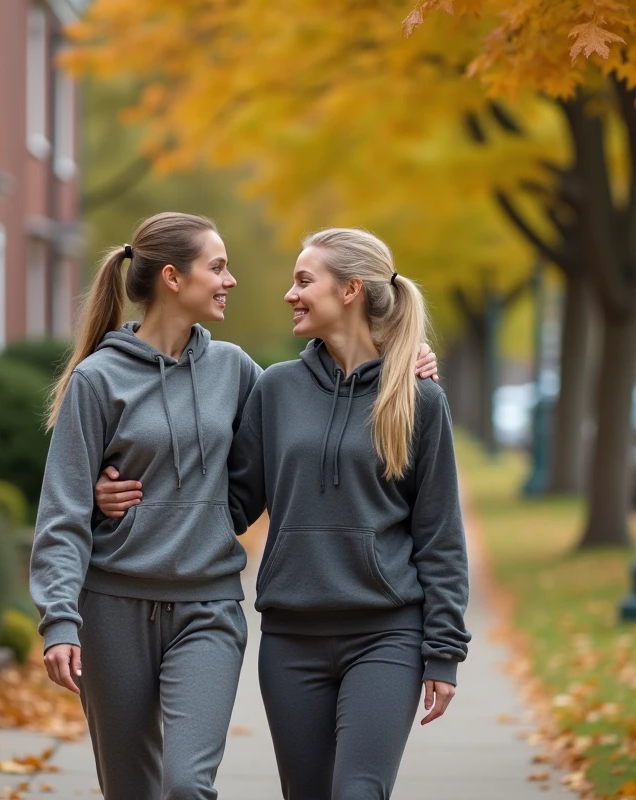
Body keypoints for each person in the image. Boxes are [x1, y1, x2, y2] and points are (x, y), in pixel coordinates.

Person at [32, 212, 438, 800]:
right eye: (217, 267)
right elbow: (61, 511)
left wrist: (406, 353)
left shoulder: (239, 371)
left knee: (187, 785)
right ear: (173, 278)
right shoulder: (98, 380)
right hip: (113, 606)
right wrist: (60, 616)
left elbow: (313, 416)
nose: (231, 280)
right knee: (130, 788)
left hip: (208, 605)